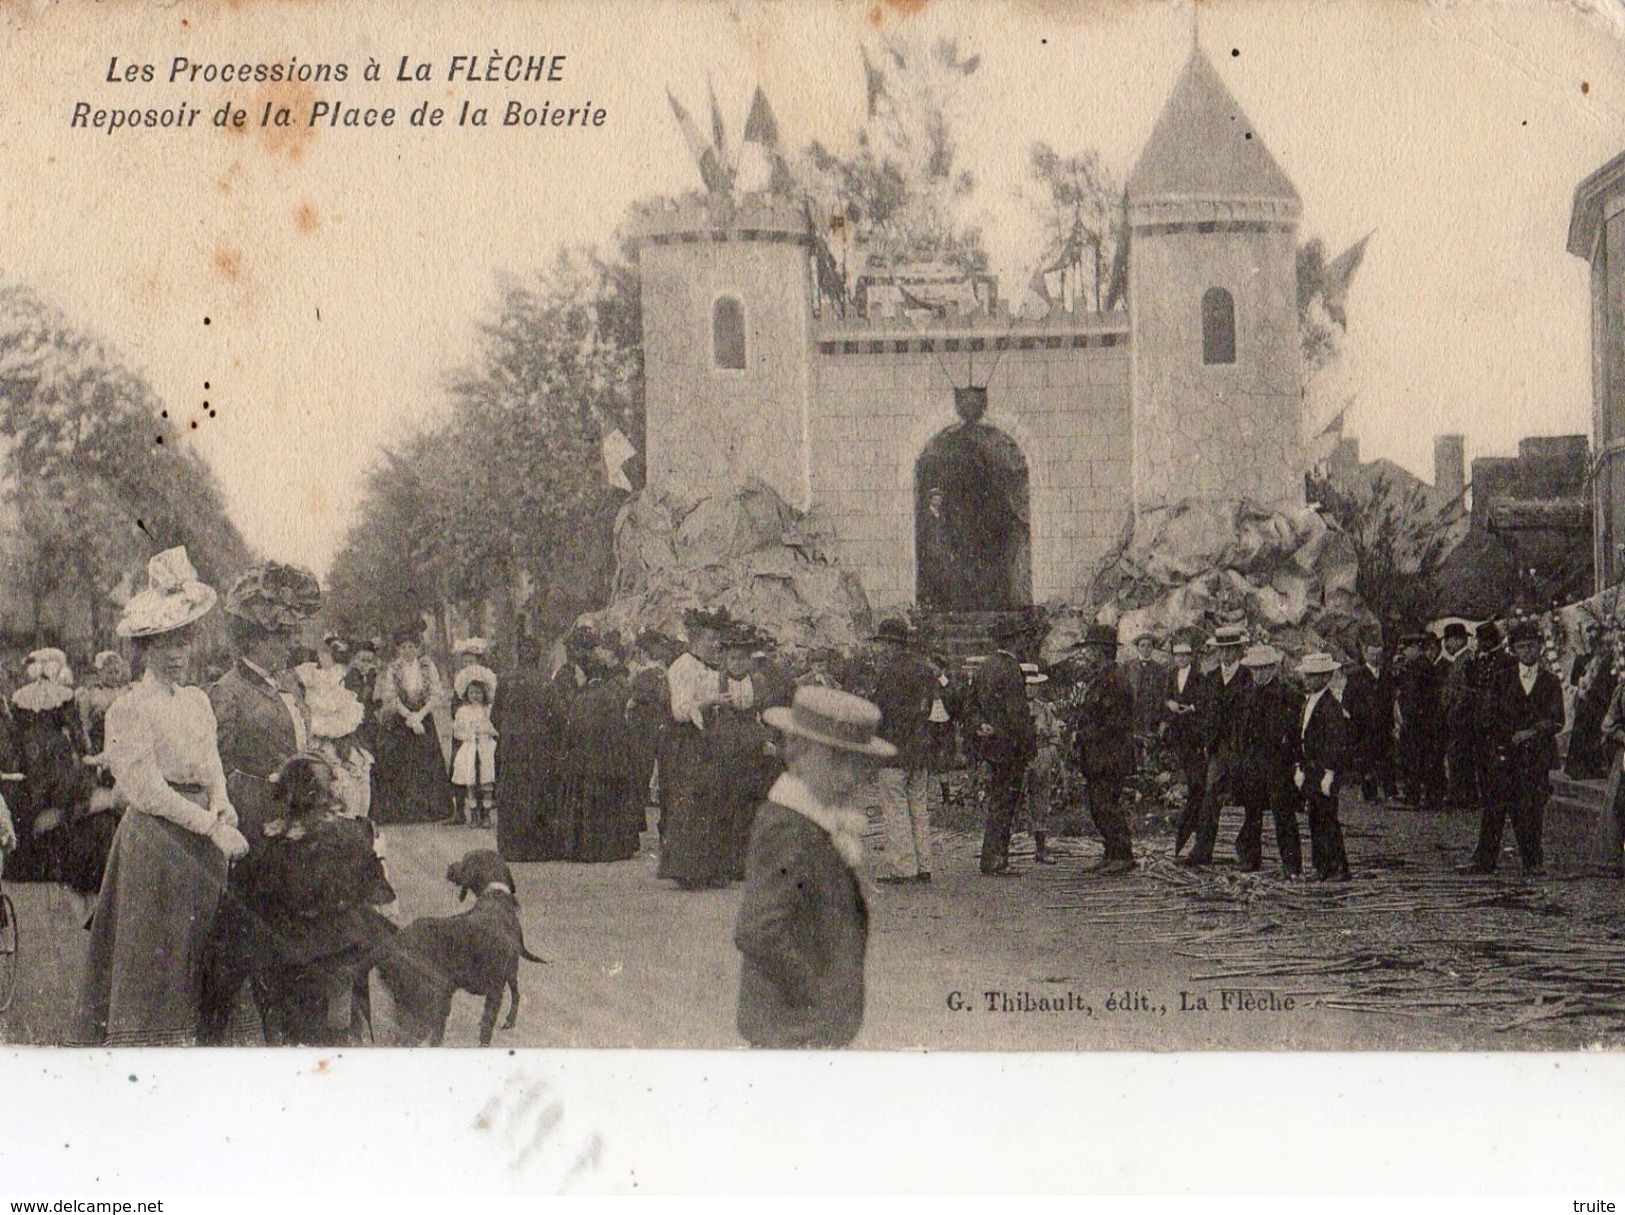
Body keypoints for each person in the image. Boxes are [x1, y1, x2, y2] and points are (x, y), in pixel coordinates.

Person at [72, 548, 249, 1046]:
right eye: (165, 643)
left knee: (206, 952)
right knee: (159, 959)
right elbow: (145, 790)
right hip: (158, 844)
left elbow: (212, 761)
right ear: (144, 650)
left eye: (184, 640)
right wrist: (210, 825)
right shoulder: (129, 709)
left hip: (205, 841)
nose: (177, 653)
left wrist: (222, 801)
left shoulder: (196, 701)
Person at [201, 559, 323, 1044]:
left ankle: (291, 1018)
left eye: (289, 635)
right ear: (252, 639)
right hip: (254, 819)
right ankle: (221, 1020)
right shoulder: (226, 693)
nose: (288, 645)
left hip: (299, 816)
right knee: (249, 927)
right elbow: (216, 764)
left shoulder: (291, 684)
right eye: (279, 637)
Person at [735, 685, 894, 1049]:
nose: (850, 777)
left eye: (860, 765)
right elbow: (758, 930)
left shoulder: (818, 822)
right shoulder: (789, 828)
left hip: (805, 1027)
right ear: (798, 752)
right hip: (791, 1028)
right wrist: (817, 995)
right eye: (837, 762)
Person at [239, 753, 396, 1046]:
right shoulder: (354, 831)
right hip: (342, 950)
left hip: (287, 956)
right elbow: (379, 892)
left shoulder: (267, 842)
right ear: (330, 792)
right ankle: (343, 1022)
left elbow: (250, 902)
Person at [1461, 620, 1562, 876]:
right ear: (1514, 650)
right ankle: (1484, 859)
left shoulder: (1550, 681)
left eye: (1532, 646)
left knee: (1531, 809)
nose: (1527, 652)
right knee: (1495, 806)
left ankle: (1533, 861)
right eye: (1522, 647)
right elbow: (1491, 714)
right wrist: (1503, 739)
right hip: (1505, 753)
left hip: (1537, 754)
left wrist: (1532, 732)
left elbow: (1557, 718)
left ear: (1540, 648)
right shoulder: (1502, 679)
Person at [659, 607, 736, 890]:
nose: (715, 647)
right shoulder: (681, 667)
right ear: (696, 641)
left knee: (713, 799)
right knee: (691, 802)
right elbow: (679, 711)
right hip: (688, 740)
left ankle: (711, 867)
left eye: (717, 642)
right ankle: (687, 869)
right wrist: (710, 702)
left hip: (709, 739)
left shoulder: (711, 669)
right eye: (710, 641)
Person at [1063, 624, 1138, 875]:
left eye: (1092, 650)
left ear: (1103, 652)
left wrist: (1085, 734)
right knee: (1098, 805)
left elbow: (1116, 724)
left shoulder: (1115, 681)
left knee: (1106, 805)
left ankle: (1122, 855)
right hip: (1099, 755)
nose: (1088, 655)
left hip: (1110, 756)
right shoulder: (1102, 679)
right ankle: (1111, 852)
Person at [868, 618, 937, 884]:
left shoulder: (890, 673)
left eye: (883, 644)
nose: (881, 649)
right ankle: (924, 865)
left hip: (894, 749)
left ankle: (903, 867)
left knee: (895, 808)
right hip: (919, 748)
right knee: (918, 807)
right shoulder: (925, 669)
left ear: (891, 644)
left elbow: (879, 713)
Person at [967, 617, 1037, 876]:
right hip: (1011, 747)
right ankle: (996, 860)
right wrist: (1029, 746)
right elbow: (1018, 714)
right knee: (1005, 802)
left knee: (998, 800)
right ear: (1015, 641)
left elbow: (970, 704)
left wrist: (980, 724)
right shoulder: (1011, 669)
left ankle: (991, 857)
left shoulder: (985, 667)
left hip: (993, 746)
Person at [1179, 624, 1250, 868]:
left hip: (1242, 747)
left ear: (1240, 650)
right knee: (1210, 796)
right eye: (1223, 650)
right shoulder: (1211, 678)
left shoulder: (1248, 676)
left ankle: (1249, 854)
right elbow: (1205, 712)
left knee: (1251, 799)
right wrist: (1205, 742)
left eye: (1232, 649)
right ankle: (1202, 850)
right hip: (1218, 748)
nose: (1227, 655)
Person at [493, 635, 569, 862]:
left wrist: (510, 732)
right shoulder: (546, 682)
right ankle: (539, 848)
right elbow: (559, 716)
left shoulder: (505, 681)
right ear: (538, 656)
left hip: (512, 746)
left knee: (513, 792)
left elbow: (495, 715)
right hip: (539, 746)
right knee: (538, 791)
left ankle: (512, 848)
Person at [371, 621, 454, 825]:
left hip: (424, 719)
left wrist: (420, 715)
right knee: (403, 762)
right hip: (402, 722)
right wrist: (409, 716)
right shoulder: (393, 668)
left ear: (418, 648)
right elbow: (391, 697)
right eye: (404, 647)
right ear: (399, 649)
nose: (408, 651)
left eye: (412, 646)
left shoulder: (427, 665)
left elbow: (435, 694)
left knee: (426, 761)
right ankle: (404, 811)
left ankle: (429, 809)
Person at [1235, 645, 1303, 877]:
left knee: (1282, 813)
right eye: (1254, 669)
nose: (1257, 674)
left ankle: (1291, 864)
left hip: (1277, 762)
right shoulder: (1247, 693)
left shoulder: (1288, 694)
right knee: (1252, 813)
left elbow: (1293, 732)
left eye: (1262, 669)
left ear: (1272, 668)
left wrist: (1291, 760)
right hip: (1252, 762)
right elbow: (1241, 730)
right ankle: (1250, 858)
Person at [1296, 652, 1351, 882]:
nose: (1307, 680)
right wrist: (1300, 765)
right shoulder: (1309, 701)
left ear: (1325, 677)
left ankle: (1338, 866)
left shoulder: (1331, 706)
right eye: (1306, 675)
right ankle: (1321, 865)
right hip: (1310, 768)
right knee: (1315, 817)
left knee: (1328, 818)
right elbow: (1302, 735)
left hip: (1324, 770)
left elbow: (1335, 744)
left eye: (1312, 676)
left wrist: (1329, 773)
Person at [294, 661, 374, 820]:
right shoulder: (311, 733)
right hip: (323, 761)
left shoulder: (348, 737)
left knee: (359, 776)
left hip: (343, 752)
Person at [1164, 638, 1207, 854]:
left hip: (1192, 727)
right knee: (1181, 759)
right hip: (1177, 727)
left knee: (1195, 773)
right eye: (1177, 656)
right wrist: (1170, 704)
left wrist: (1191, 707)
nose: (1180, 659)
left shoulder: (1198, 677)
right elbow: (1165, 697)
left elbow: (1203, 700)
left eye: (1184, 655)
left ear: (1190, 657)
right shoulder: (1171, 675)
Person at [1342, 636, 1398, 803]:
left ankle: (1390, 791)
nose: (1375, 658)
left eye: (1378, 655)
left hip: (1383, 725)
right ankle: (1370, 793)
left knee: (1387, 759)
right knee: (1366, 760)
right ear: (1365, 653)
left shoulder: (1386, 676)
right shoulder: (1355, 677)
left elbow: (1391, 700)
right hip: (1364, 727)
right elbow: (1347, 702)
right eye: (1372, 654)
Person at [1393, 632, 1444, 808]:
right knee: (1414, 758)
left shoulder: (1421, 667)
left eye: (1406, 649)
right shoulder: (1413, 666)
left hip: (1421, 721)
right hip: (1415, 720)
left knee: (1420, 759)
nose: (1404, 653)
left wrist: (1412, 715)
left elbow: (1418, 696)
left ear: (1415, 648)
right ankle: (1415, 795)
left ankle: (1419, 796)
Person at [451, 666, 499, 829]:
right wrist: (469, 735)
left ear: (484, 694)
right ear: (467, 694)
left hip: (485, 748)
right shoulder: (463, 711)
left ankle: (486, 815)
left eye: (478, 692)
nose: (475, 696)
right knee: (470, 783)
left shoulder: (488, 710)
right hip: (470, 748)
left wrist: (487, 731)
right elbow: (457, 732)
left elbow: (495, 729)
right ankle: (473, 815)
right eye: (472, 692)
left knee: (486, 782)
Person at [1437, 622, 1477, 809]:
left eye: (1448, 640)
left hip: (1461, 718)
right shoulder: (1459, 660)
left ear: (1458, 640)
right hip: (1456, 716)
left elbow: (1465, 692)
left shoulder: (1467, 660)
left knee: (1459, 756)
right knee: (1458, 756)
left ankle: (1461, 795)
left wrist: (1453, 711)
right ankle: (1461, 794)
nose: (1445, 645)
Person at [1122, 631, 1170, 773]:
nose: (1146, 649)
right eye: (1142, 645)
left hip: (1152, 717)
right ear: (1137, 648)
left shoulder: (1160, 669)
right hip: (1134, 717)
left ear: (1153, 648)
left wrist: (1163, 720)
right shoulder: (1128, 667)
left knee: (1152, 752)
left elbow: (1165, 695)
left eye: (1149, 646)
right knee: (1134, 752)